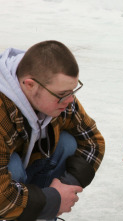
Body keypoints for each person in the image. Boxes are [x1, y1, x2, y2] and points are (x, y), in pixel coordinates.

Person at [0, 40, 105, 221]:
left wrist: (64, 188)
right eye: (63, 94)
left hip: (25, 183)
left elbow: (93, 142)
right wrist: (52, 200)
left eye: (73, 91)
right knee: (13, 168)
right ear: (30, 85)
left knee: (67, 143)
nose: (70, 100)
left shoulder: (59, 98)